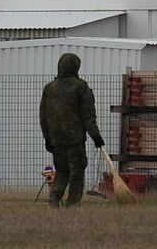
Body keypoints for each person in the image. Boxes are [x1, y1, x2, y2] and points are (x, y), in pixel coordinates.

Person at [38, 52, 106, 207]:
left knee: (62, 171)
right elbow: (88, 117)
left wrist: (48, 138)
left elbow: (43, 117)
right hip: (74, 140)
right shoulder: (81, 87)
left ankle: (54, 198)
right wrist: (96, 136)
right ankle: (72, 206)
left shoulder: (49, 89)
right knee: (76, 172)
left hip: (56, 140)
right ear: (76, 67)